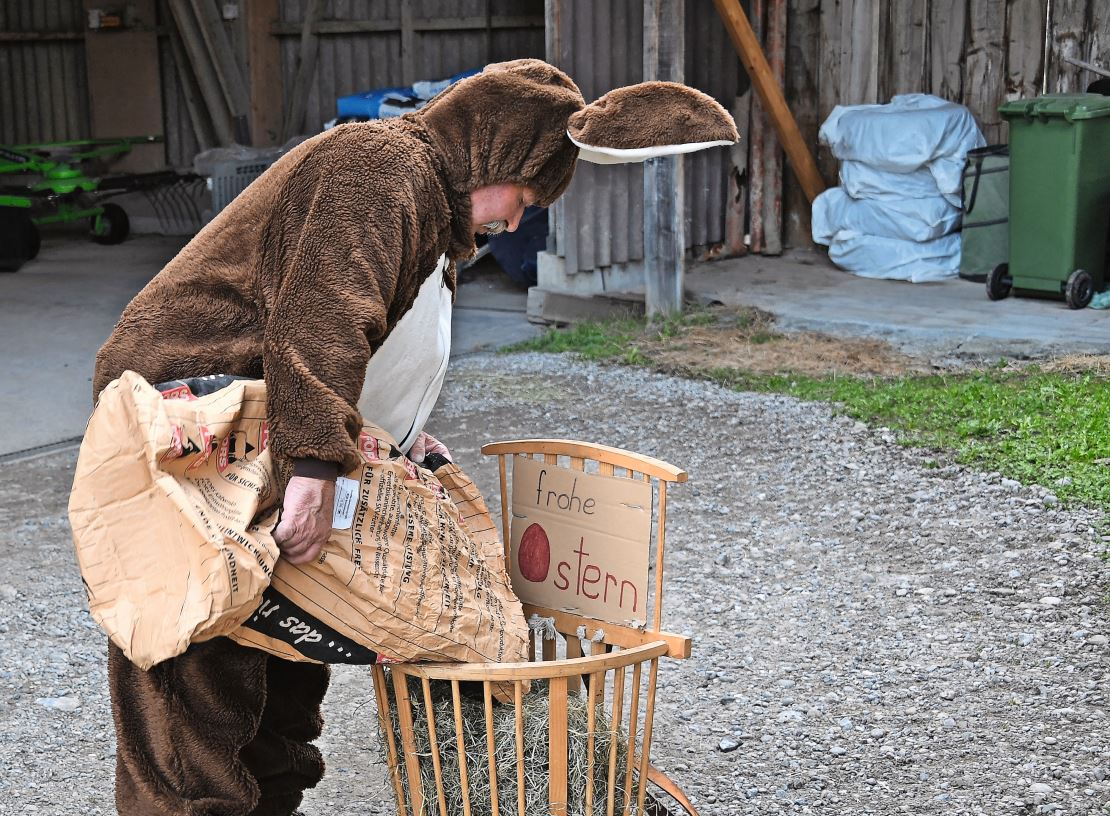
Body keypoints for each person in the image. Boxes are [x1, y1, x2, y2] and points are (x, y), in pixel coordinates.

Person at [91, 58, 737, 815]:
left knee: (292, 651)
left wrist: (398, 439)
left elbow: (375, 345)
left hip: (275, 435)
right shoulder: (377, 166)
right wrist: (312, 468)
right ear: (494, 153)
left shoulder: (431, 211)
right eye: (525, 197)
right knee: (195, 665)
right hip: (197, 436)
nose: (518, 221)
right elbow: (322, 317)